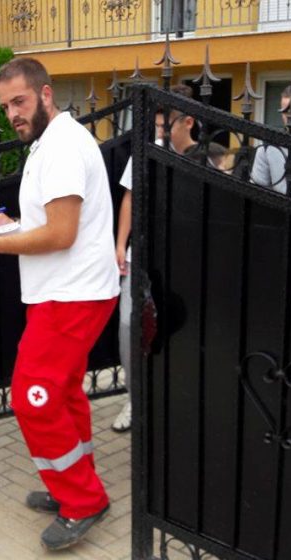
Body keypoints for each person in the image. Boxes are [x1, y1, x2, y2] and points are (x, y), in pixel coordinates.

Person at [0, 57, 120, 551]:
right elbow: (50, 222)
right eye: (5, 106)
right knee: (64, 393)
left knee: (34, 396)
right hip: (64, 291)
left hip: (71, 294)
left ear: (46, 94)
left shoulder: (62, 147)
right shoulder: (50, 143)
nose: (13, 113)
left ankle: (83, 500)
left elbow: (61, 234)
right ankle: (73, 485)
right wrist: (7, 223)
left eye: (20, 101)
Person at [111, 83, 199, 433]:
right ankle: (135, 398)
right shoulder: (145, 152)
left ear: (189, 121)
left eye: (167, 124)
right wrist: (121, 244)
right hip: (143, 258)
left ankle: (177, 399)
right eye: (158, 123)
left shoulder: (205, 158)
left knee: (181, 332)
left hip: (185, 262)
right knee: (128, 327)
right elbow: (130, 199)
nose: (160, 130)